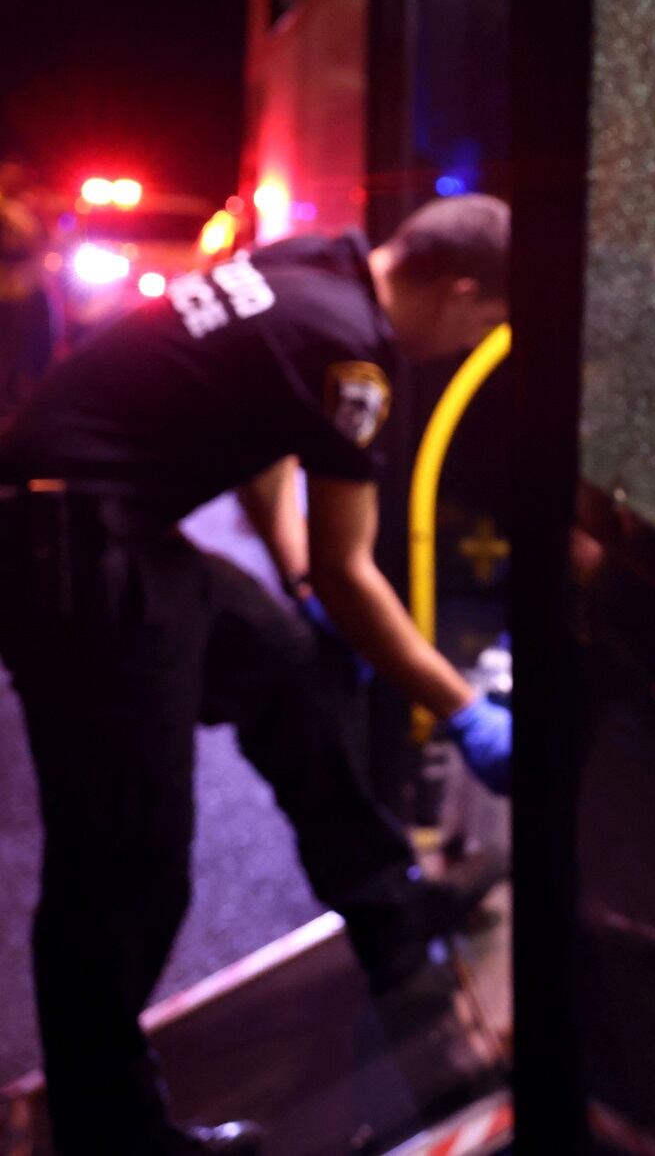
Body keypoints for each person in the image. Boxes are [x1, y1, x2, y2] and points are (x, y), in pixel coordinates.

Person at [0, 195, 515, 1155]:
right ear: (458, 290)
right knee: (124, 858)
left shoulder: (315, 264)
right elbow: (355, 576)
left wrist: (293, 575)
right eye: (482, 323)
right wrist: (464, 711)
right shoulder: (356, 355)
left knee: (288, 669)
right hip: (69, 549)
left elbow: (265, 436)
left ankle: (390, 912)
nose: (467, 346)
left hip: (111, 525)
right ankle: (109, 1127)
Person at [0, 157, 56, 414]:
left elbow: (44, 240)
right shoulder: (5, 211)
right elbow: (12, 247)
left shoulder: (24, 210)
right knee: (6, 344)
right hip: (6, 290)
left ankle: (13, 393)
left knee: (22, 345)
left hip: (26, 288)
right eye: (7, 176)